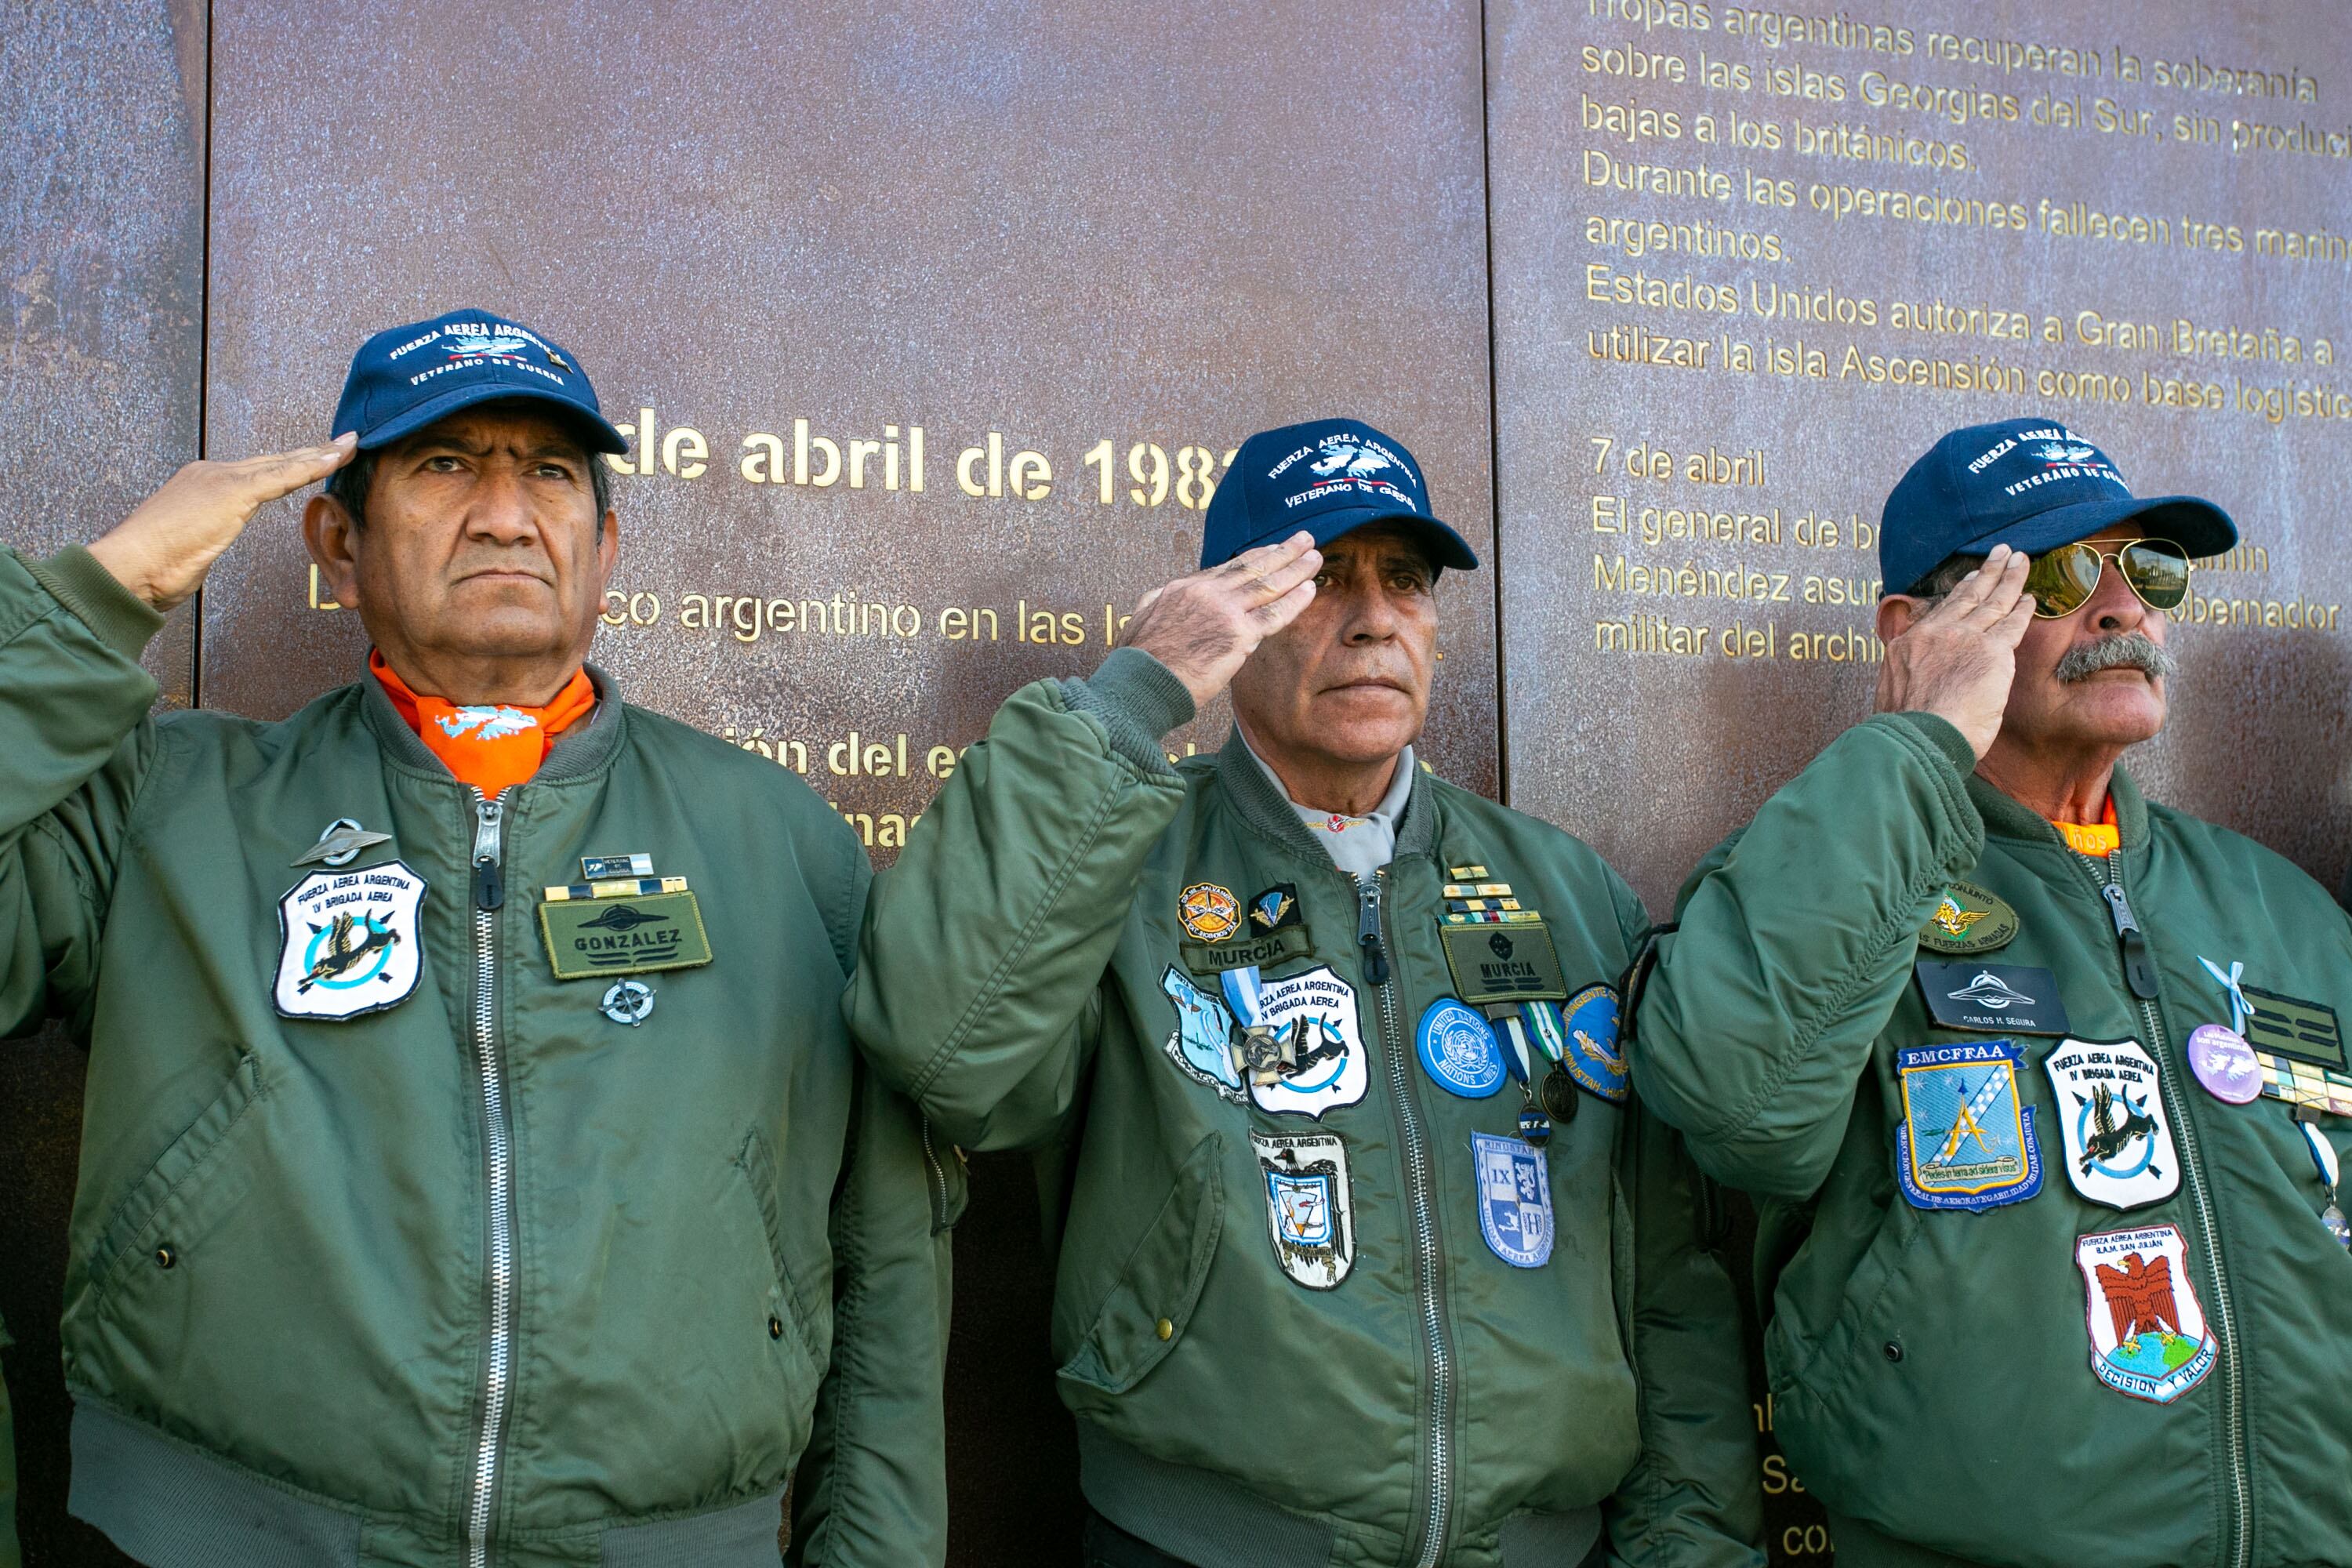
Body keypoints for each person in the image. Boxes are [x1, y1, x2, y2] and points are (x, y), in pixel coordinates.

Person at [0, 310, 947, 1567]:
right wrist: (104, 596)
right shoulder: (166, 804)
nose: (506, 513)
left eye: (549, 473)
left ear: (605, 548)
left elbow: (884, 1261)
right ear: (337, 539)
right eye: (445, 466)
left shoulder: (779, 839)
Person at [849, 419, 1762, 1568]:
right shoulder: (1124, 863)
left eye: (1407, 581)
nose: (1376, 616)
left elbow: (1667, 1280)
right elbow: (944, 1051)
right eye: (1324, 579)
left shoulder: (1564, 890)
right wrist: (1140, 693)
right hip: (1202, 1543)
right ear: (1242, 613)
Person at [1633, 416, 2352, 1567]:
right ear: (1916, 630)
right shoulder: (1832, 882)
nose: (2123, 607)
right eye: (2063, 572)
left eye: (2148, 569)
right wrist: (1917, 742)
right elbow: (1734, 1102)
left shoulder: (2282, 909)